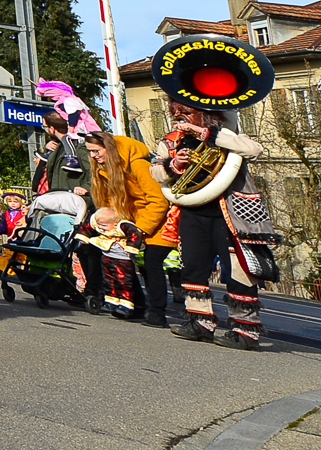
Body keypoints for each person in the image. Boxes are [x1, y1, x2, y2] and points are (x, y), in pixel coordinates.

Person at [152, 101, 267, 350]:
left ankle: (245, 329)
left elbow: (255, 151)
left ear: (202, 114)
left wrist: (206, 135)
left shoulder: (226, 134)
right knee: (192, 266)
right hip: (193, 209)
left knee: (238, 270)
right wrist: (175, 165)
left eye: (187, 112)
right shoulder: (171, 141)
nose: (181, 117)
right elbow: (155, 171)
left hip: (231, 211)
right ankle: (200, 321)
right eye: (177, 113)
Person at [83, 128, 174, 327]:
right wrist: (109, 227)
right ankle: (136, 305)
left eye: (97, 151)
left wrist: (139, 230)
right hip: (129, 224)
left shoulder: (138, 164)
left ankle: (157, 313)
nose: (93, 156)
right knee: (116, 256)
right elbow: (109, 203)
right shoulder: (103, 169)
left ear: (108, 147)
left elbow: (158, 201)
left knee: (150, 262)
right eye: (90, 152)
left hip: (157, 223)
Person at [32, 98, 104, 309]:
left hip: (81, 206)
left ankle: (94, 291)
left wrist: (87, 195)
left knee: (87, 250)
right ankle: (66, 285)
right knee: (64, 247)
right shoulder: (59, 148)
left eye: (45, 127)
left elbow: (92, 175)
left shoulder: (79, 147)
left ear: (52, 128)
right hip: (61, 205)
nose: (45, 130)